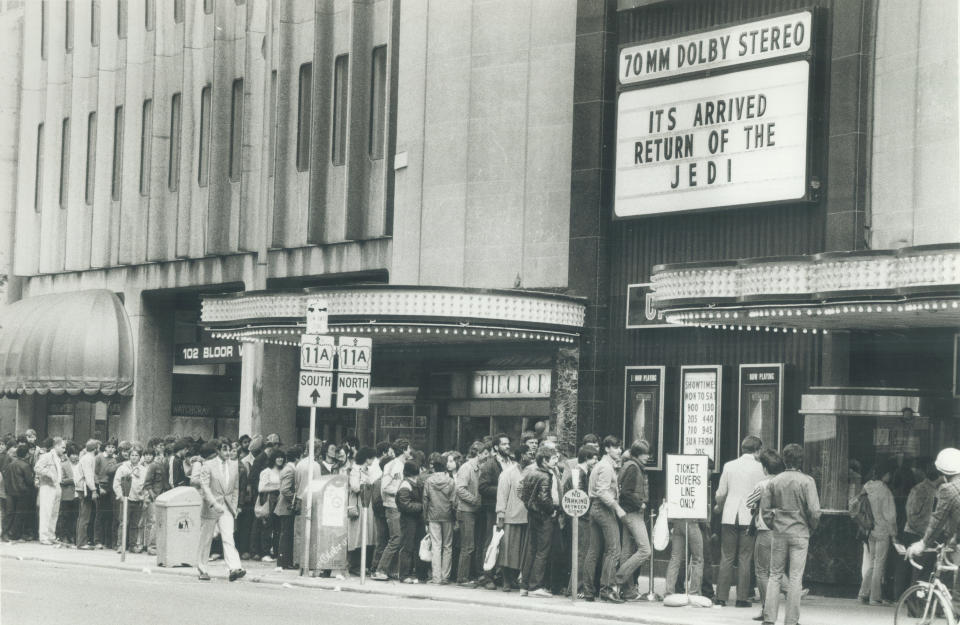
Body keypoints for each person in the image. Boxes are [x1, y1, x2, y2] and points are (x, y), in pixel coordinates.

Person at [761, 444, 821, 625]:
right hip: (800, 532)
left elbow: (765, 510)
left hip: (779, 531)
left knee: (775, 575)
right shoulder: (807, 481)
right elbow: (815, 511)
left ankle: (769, 618)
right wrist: (811, 527)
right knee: (795, 577)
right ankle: (791, 620)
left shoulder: (774, 481)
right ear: (801, 460)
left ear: (784, 460)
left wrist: (773, 524)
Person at [714, 435, 765, 607]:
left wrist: (719, 507)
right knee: (745, 557)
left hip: (729, 515)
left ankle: (721, 596)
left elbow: (720, 493)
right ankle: (742, 598)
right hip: (749, 517)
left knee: (727, 556)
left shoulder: (729, 465)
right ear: (757, 450)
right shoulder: (761, 468)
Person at [192, 441, 245, 582]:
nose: (228, 453)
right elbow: (205, 486)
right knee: (206, 538)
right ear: (218, 450)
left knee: (228, 536)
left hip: (226, 507)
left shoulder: (234, 465)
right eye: (225, 450)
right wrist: (214, 503)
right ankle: (202, 568)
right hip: (211, 506)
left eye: (230, 450)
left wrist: (233, 506)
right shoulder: (208, 465)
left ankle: (234, 568)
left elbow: (235, 488)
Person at [583, 435, 627, 603]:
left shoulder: (599, 465)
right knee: (614, 550)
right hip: (604, 509)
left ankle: (588, 590)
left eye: (620, 447)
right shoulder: (607, 467)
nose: (619, 450)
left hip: (594, 508)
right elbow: (602, 491)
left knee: (593, 551)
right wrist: (618, 508)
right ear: (607, 449)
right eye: (616, 447)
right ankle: (607, 589)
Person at [746, 448, 786, 621]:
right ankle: (792, 593)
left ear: (765, 468)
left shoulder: (762, 484)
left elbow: (749, 502)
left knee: (762, 571)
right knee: (776, 570)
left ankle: (766, 608)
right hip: (782, 530)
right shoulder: (785, 483)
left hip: (765, 530)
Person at [520, 445, 560, 598]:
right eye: (553, 458)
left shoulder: (531, 472)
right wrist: (552, 510)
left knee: (531, 549)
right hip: (544, 517)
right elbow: (544, 498)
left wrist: (532, 508)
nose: (556, 461)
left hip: (533, 514)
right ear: (545, 460)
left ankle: (525, 585)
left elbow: (523, 494)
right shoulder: (546, 475)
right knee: (542, 551)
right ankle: (535, 586)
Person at [616, 439, 652, 601]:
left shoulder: (630, 465)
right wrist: (640, 504)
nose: (648, 457)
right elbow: (627, 493)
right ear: (638, 454)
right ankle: (617, 579)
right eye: (645, 454)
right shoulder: (633, 467)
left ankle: (627, 590)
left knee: (627, 551)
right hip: (633, 513)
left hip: (626, 513)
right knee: (645, 550)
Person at [896, 463, 941, 593]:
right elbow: (912, 515)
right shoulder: (921, 489)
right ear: (938, 476)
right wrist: (924, 533)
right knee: (918, 569)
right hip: (915, 533)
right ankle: (912, 603)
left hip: (922, 533)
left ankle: (916, 602)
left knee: (921, 569)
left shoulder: (934, 490)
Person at [857, 462, 897, 605]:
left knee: (872, 563)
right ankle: (875, 597)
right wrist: (894, 534)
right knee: (879, 564)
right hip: (882, 530)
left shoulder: (867, 487)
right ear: (884, 474)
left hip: (870, 530)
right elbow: (890, 516)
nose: (890, 476)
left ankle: (863, 594)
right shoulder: (885, 491)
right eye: (889, 474)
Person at [372, 438, 412, 581]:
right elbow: (385, 487)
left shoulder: (397, 464)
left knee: (396, 538)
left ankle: (390, 570)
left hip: (395, 506)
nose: (410, 451)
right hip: (392, 506)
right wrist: (401, 491)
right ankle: (380, 570)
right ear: (403, 450)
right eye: (409, 448)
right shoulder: (395, 466)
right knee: (396, 538)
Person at [562, 444, 598, 598]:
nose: (596, 460)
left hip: (580, 518)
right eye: (594, 457)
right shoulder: (580, 475)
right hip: (582, 519)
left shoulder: (581, 473)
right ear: (586, 458)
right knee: (582, 553)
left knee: (581, 553)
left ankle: (574, 587)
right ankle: (576, 588)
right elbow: (581, 499)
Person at [478, 434, 513, 590]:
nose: (507, 446)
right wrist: (502, 490)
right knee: (491, 541)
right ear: (496, 447)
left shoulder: (511, 463)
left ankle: (499, 575)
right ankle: (487, 576)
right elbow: (483, 487)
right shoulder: (490, 465)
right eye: (504, 444)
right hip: (493, 509)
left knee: (504, 543)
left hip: (509, 509)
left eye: (508, 443)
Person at [497, 445, 532, 592]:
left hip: (527, 516)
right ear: (522, 455)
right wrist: (500, 514)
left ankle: (514, 579)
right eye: (529, 453)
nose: (531, 456)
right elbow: (502, 494)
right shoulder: (508, 473)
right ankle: (506, 580)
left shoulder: (532, 471)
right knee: (508, 550)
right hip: (511, 516)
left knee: (522, 551)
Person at [453, 441, 485, 587]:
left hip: (472, 510)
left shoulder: (477, 468)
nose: (487, 456)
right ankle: (462, 578)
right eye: (485, 453)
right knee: (468, 546)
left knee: (471, 545)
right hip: (466, 511)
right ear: (477, 454)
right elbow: (460, 489)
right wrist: (475, 501)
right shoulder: (466, 468)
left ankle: (468, 575)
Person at [423, 451, 456, 585]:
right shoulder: (451, 481)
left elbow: (425, 500)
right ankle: (445, 576)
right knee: (447, 546)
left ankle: (436, 577)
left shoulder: (429, 481)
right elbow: (454, 502)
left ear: (434, 467)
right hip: (448, 515)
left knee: (436, 546)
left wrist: (425, 518)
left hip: (433, 515)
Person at [347, 447, 379, 575]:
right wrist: (365, 484)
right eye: (372, 457)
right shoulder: (356, 469)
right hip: (360, 504)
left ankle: (363, 564)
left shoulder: (367, 470)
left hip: (368, 505)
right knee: (358, 535)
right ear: (367, 458)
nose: (373, 460)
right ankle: (354, 565)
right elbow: (354, 486)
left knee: (367, 535)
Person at [113, 447, 146, 552]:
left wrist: (144, 497)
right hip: (126, 499)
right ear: (129, 456)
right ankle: (120, 545)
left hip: (138, 500)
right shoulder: (123, 468)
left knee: (135, 524)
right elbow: (116, 483)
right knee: (123, 523)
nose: (134, 457)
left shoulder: (143, 470)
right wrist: (120, 496)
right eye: (132, 455)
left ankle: (132, 545)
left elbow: (145, 484)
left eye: (136, 455)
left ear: (140, 457)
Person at [396, 460, 424, 583]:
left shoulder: (414, 483)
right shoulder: (405, 485)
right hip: (408, 519)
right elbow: (405, 505)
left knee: (416, 546)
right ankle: (404, 575)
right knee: (407, 547)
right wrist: (421, 506)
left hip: (415, 519)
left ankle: (417, 573)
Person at [35, 437, 66, 545]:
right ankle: (43, 537)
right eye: (62, 447)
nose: (64, 450)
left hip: (56, 486)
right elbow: (37, 468)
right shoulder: (46, 456)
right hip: (47, 486)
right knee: (46, 512)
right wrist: (49, 473)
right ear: (56, 446)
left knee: (54, 513)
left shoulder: (58, 458)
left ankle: (51, 536)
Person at [256, 447, 285, 563]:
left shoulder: (284, 471)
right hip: (269, 501)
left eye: (282, 457)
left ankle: (276, 552)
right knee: (267, 527)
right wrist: (278, 487)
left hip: (281, 501)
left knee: (278, 527)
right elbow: (261, 487)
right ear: (273, 458)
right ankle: (265, 553)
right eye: (278, 457)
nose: (280, 459)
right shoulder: (266, 472)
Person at [274, 445, 299, 570]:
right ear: (297, 458)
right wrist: (295, 499)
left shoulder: (287, 468)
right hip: (286, 507)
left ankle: (284, 561)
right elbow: (285, 489)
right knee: (286, 534)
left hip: (284, 506)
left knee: (286, 534)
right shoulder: (290, 470)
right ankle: (283, 562)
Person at [5, 445, 35, 541]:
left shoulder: (10, 464)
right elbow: (29, 481)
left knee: (10, 513)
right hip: (22, 493)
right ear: (26, 454)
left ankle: (6, 533)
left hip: (10, 492)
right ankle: (15, 534)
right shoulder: (25, 465)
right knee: (20, 514)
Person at [75, 440, 99, 549]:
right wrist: (93, 490)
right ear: (95, 448)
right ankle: (81, 542)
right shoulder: (89, 459)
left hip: (83, 487)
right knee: (85, 516)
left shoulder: (86, 458)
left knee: (83, 515)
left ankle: (81, 541)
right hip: (85, 488)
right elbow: (89, 476)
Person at [56, 443, 80, 545]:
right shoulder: (64, 465)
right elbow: (61, 480)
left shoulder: (80, 464)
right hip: (66, 494)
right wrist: (73, 480)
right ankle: (63, 536)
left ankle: (72, 536)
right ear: (68, 455)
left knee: (74, 517)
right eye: (72, 454)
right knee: (64, 516)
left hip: (77, 494)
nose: (75, 456)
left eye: (76, 454)